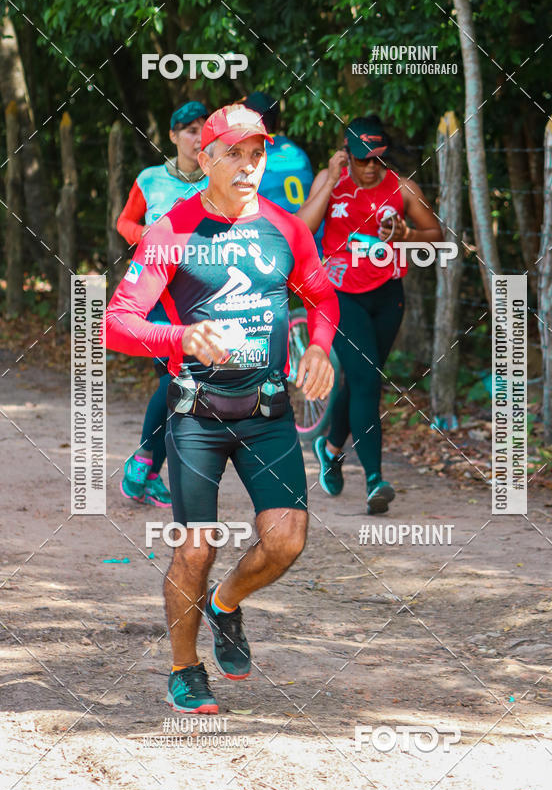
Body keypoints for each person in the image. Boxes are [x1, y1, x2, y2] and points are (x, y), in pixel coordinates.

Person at [105, 104, 339, 713]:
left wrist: (318, 346)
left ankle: (225, 603)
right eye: (231, 153)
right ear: (203, 159)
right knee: (196, 546)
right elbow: (116, 324)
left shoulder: (286, 229)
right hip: (196, 414)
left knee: (286, 542)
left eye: (256, 153)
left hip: (267, 413)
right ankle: (184, 670)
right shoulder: (171, 232)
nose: (246, 165)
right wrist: (179, 338)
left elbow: (321, 295)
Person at [297, 114, 442, 514]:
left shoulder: (403, 189)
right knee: (366, 382)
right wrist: (328, 179)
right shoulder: (334, 184)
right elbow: (304, 228)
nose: (372, 167)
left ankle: (329, 447)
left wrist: (406, 236)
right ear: (347, 155)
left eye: (378, 158)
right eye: (363, 159)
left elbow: (436, 234)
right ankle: (375, 481)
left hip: (388, 297)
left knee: (363, 376)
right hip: (341, 296)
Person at [116, 101, 210, 507]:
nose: (196, 137)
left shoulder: (217, 181)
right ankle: (147, 464)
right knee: (176, 378)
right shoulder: (150, 179)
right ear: (172, 136)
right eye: (188, 129)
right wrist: (148, 235)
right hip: (154, 294)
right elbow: (124, 223)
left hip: (200, 294)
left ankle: (148, 467)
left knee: (183, 381)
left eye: (203, 129)